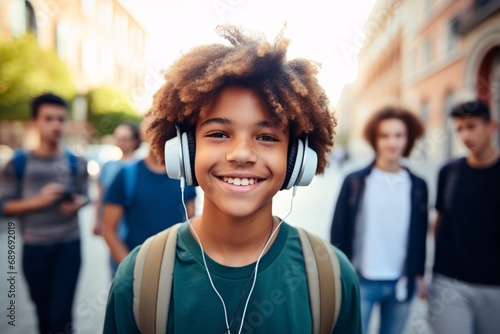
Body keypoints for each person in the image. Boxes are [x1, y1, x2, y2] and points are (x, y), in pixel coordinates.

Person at [103, 25, 361, 333]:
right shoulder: (138, 278)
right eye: (218, 134)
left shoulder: (331, 278)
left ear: (297, 160)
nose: (241, 154)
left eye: (266, 136)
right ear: (185, 151)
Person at [330, 106, 428, 334]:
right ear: (374, 139)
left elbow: (420, 232)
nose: (392, 142)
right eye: (384, 135)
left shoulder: (418, 185)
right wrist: (339, 275)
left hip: (402, 283)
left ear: (408, 138)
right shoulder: (355, 181)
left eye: (398, 135)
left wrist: (419, 274)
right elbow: (338, 230)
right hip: (361, 280)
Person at [0, 93, 89, 334]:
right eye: (48, 119)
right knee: (43, 316)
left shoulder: (75, 162)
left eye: (60, 119)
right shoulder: (18, 163)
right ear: (35, 122)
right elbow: (4, 206)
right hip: (34, 248)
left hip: (68, 247)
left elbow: (85, 196)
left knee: (61, 317)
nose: (56, 125)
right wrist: (38, 201)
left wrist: (78, 203)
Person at [428, 100, 500, 334]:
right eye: (459, 129)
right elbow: (439, 222)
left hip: (494, 287)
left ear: (492, 127)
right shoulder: (449, 172)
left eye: (471, 126)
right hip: (450, 283)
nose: (465, 135)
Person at [102, 112, 197, 266]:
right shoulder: (127, 175)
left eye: (165, 128)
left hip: (175, 268)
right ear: (142, 135)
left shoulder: (185, 176)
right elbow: (109, 230)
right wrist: (131, 270)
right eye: (153, 128)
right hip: (135, 266)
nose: (159, 133)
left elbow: (191, 225)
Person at [93, 121, 141, 277]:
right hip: (113, 227)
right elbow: (100, 196)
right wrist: (97, 221)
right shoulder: (108, 166)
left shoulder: (141, 166)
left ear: (135, 141)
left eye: (126, 138)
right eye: (119, 138)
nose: (121, 142)